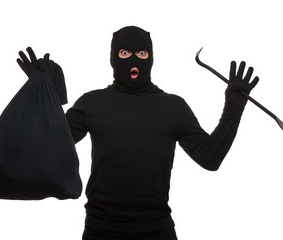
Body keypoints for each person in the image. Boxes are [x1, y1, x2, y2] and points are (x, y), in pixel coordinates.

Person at [17, 26, 259, 240]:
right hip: (101, 229)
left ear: (151, 58)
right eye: (125, 54)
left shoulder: (173, 107)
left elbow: (210, 158)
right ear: (113, 58)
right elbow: (48, 143)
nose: (134, 60)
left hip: (157, 229)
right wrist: (44, 91)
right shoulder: (92, 103)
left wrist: (234, 108)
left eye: (141, 54)